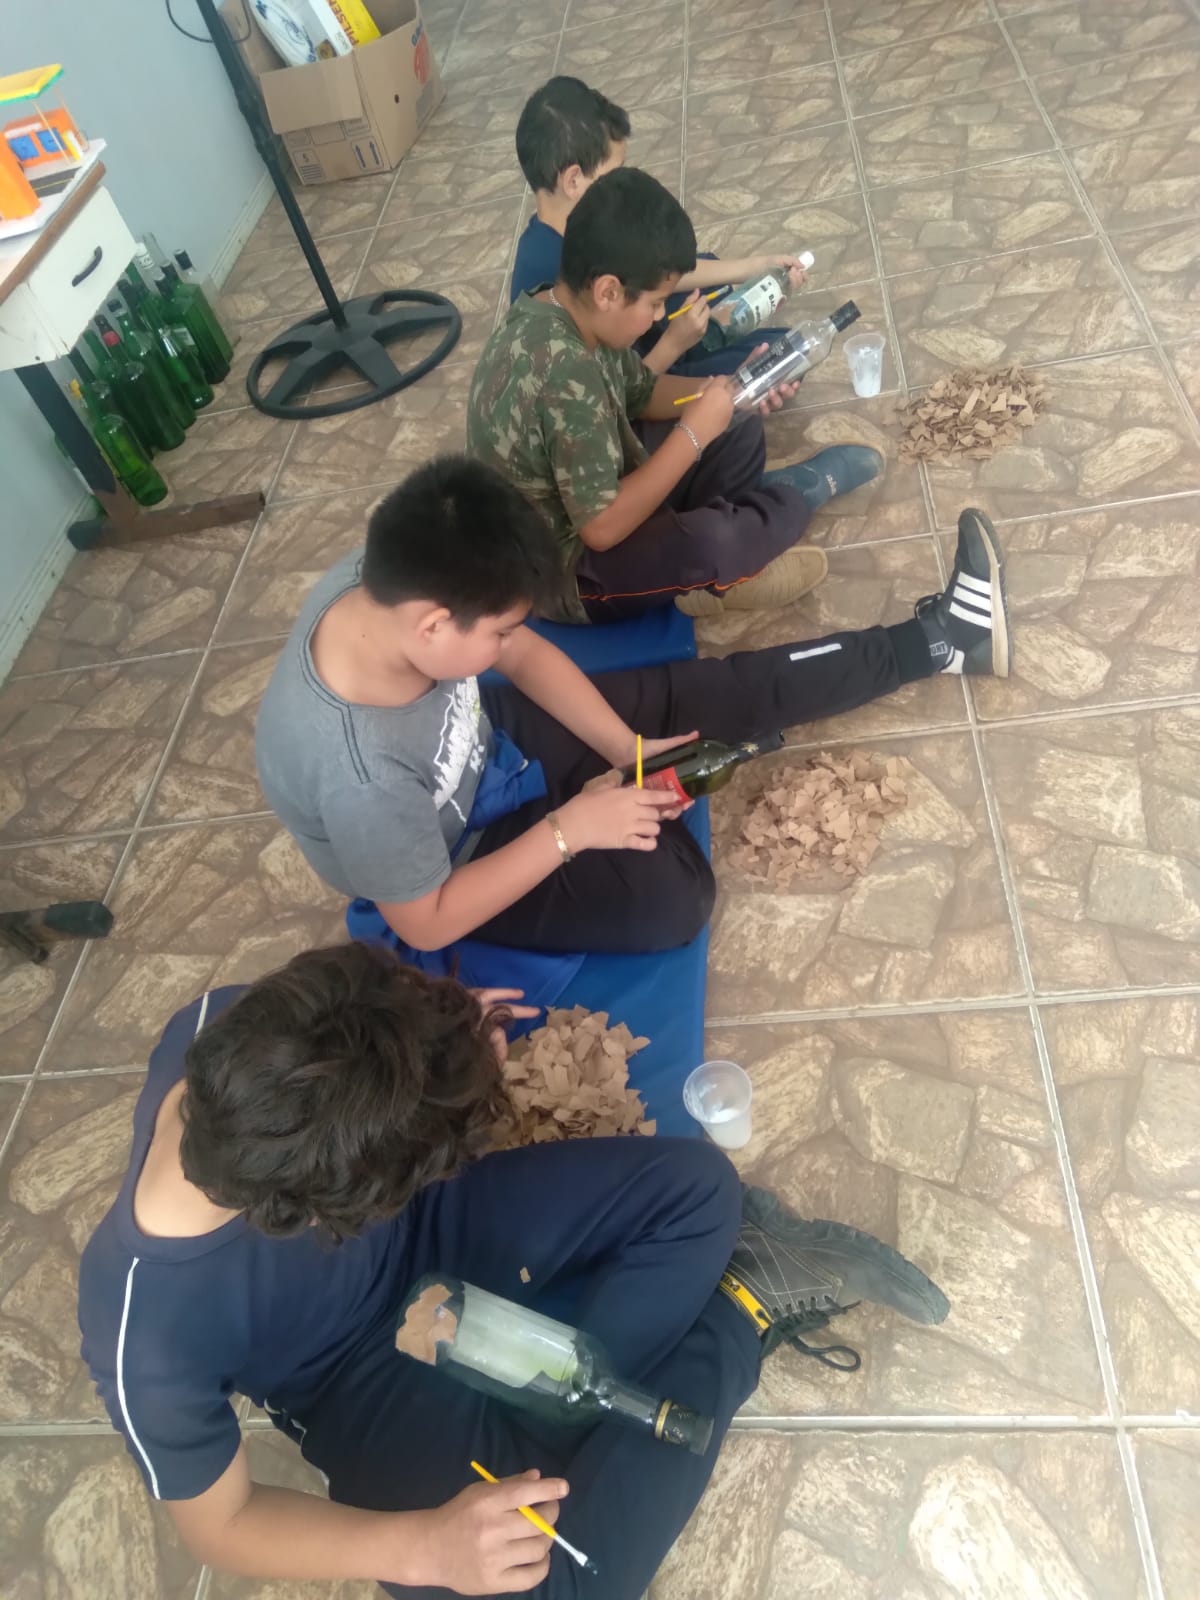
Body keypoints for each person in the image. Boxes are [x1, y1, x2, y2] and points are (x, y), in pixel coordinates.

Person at [78, 941, 950, 1599]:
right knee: (548, 1577)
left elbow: (358, 1011)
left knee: (698, 1190)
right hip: (357, 1387)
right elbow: (223, 1527)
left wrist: (439, 1032)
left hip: (439, 1230)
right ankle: (739, 1302)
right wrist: (423, 1546)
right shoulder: (143, 1341)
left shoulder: (225, 1025)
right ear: (324, 1215)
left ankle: (567, 1410)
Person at [253, 452, 1010, 961]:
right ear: (432, 627)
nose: (512, 638)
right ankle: (615, 809)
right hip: (458, 855)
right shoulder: (364, 781)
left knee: (709, 696)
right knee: (674, 903)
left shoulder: (387, 580)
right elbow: (425, 923)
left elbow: (520, 655)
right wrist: (570, 830)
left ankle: (940, 641)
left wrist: (625, 748)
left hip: (490, 747)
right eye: (500, 628)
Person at [470, 166, 880, 624]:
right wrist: (693, 434)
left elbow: (640, 391)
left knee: (737, 423)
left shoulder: (566, 308)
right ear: (608, 291)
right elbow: (601, 529)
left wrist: (723, 391)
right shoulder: (564, 371)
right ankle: (787, 505)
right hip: (566, 570)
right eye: (654, 303)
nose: (659, 315)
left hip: (597, 486)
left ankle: (719, 543)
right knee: (713, 540)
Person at [511, 76, 806, 380]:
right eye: (614, 172)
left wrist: (752, 268)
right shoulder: (556, 281)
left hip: (641, 328)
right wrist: (674, 345)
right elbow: (614, 394)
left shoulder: (590, 226)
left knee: (701, 274)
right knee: (786, 350)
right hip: (640, 373)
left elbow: (655, 271)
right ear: (573, 181)